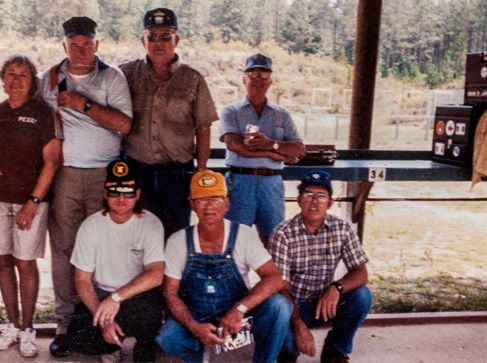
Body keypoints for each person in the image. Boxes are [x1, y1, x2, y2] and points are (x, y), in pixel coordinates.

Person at [36, 16, 134, 358]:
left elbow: (124, 123)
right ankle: (65, 327)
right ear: (64, 46)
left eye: (86, 44)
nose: (80, 51)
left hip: (103, 176)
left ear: (97, 45)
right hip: (62, 175)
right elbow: (33, 121)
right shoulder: (48, 79)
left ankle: (100, 327)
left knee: (103, 251)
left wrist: (86, 105)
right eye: (73, 44)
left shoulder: (112, 76)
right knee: (63, 252)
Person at [156, 170, 291, 363]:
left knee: (280, 306)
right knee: (168, 338)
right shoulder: (178, 241)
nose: (209, 206)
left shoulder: (243, 235)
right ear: (192, 204)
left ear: (227, 203)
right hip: (196, 315)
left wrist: (239, 309)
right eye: (201, 200)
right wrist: (194, 327)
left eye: (216, 199)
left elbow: (275, 278)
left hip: (236, 316)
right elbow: (170, 293)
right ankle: (205, 349)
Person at [0, 54, 62, 358]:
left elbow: (52, 161)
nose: (16, 80)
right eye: (11, 74)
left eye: (23, 75)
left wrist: (32, 203)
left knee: (26, 264)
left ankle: (28, 328)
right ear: (3, 80)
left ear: (32, 83)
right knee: (3, 262)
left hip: (31, 202)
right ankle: (12, 324)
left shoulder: (43, 113)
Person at [120, 8, 218, 238]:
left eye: (166, 36)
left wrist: (200, 173)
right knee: (137, 239)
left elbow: (204, 128)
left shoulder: (193, 79)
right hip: (137, 172)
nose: (158, 43)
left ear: (177, 40)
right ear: (143, 40)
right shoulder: (126, 73)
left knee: (176, 240)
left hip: (177, 177)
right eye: (152, 36)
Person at [67, 159, 165, 362]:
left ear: (137, 194)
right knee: (78, 334)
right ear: (105, 193)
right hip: (102, 294)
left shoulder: (151, 224)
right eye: (114, 191)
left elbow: (156, 274)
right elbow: (82, 279)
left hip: (136, 295)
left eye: (128, 192)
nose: (121, 198)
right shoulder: (91, 225)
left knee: (149, 321)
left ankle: (136, 344)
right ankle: (113, 343)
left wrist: (116, 298)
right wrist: (103, 319)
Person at [269, 171, 373, 363]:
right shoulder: (282, 234)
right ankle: (287, 348)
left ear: (330, 202)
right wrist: (300, 328)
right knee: (289, 348)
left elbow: (361, 273)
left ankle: (335, 350)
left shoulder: (342, 228)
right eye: (308, 195)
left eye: (321, 196)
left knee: (362, 295)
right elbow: (279, 287)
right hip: (294, 306)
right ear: (298, 200)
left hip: (326, 303)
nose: (314, 201)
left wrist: (336, 288)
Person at [219, 53, 306, 247]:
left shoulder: (281, 114)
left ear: (271, 81)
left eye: (264, 75)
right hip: (240, 182)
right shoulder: (231, 111)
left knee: (274, 241)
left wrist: (272, 144)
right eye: (253, 74)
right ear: (244, 79)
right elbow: (235, 145)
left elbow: (299, 149)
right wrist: (272, 153)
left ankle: (271, 278)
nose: (258, 80)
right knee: (233, 241)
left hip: (271, 184)